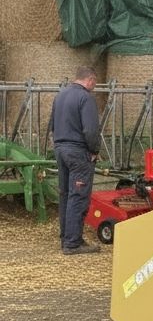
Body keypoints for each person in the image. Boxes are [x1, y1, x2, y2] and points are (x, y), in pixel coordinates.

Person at [48, 66, 101, 256]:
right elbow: (90, 130)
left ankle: (66, 237)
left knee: (65, 194)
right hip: (78, 151)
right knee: (78, 195)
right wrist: (94, 150)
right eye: (94, 81)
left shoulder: (60, 95)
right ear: (90, 79)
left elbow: (52, 125)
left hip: (61, 148)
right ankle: (73, 243)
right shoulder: (85, 98)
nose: (94, 85)